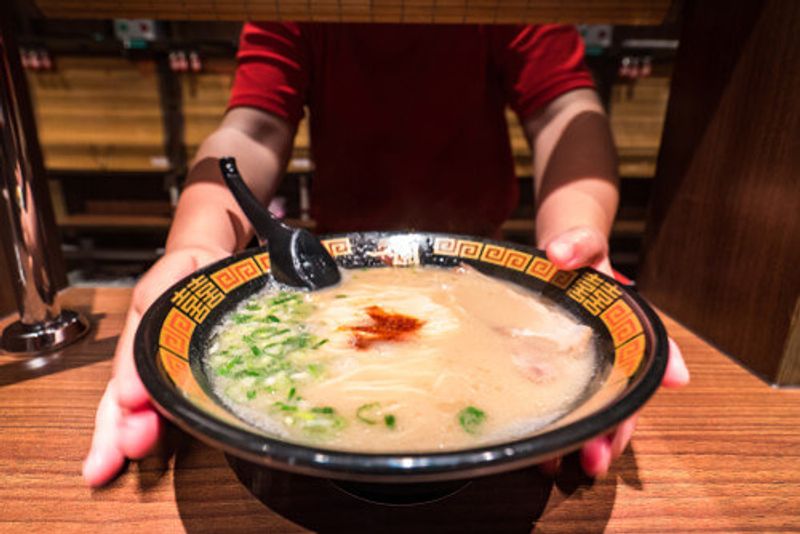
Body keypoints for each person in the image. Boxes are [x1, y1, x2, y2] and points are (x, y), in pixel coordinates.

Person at [82, 22, 690, 487]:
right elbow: (253, 129)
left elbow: (564, 109)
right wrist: (196, 247)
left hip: (480, 254)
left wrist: (577, 241)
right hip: (339, 259)